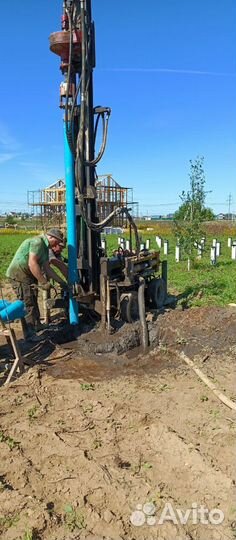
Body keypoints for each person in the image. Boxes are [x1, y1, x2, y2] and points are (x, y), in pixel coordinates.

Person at [6, 228, 68, 340]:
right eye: (57, 242)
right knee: (27, 303)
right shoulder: (37, 242)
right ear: (51, 237)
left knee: (33, 299)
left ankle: (36, 325)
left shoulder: (45, 248)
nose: (57, 245)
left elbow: (47, 268)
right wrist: (44, 282)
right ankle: (29, 335)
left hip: (28, 275)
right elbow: (32, 263)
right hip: (19, 275)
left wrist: (61, 282)